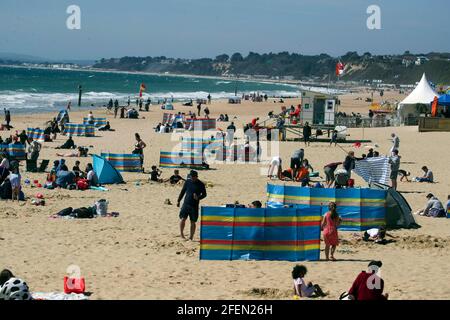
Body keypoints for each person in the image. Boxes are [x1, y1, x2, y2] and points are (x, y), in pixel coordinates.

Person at [177, 170, 207, 240]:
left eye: (194, 177)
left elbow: (205, 194)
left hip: (194, 206)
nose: (192, 178)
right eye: (191, 176)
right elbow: (183, 191)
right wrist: (178, 200)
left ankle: (191, 237)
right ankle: (181, 234)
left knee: (193, 221)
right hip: (186, 204)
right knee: (183, 219)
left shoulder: (201, 184)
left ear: (196, 176)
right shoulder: (187, 182)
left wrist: (198, 198)